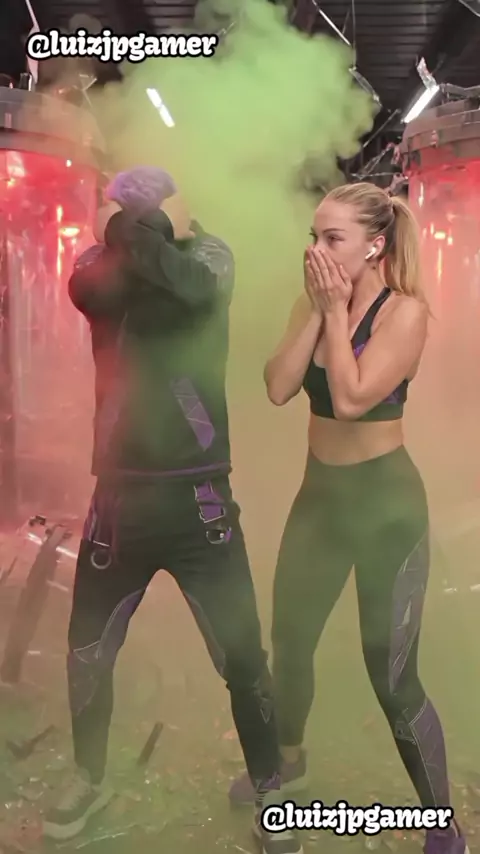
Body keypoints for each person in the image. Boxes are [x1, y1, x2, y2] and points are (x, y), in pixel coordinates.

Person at [42, 166, 301, 854]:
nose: (138, 214)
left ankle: (270, 789)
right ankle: (88, 778)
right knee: (87, 655)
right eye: (133, 207)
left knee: (243, 658)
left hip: (199, 502)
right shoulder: (98, 264)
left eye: (149, 205)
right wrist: (143, 233)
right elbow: (92, 288)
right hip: (118, 502)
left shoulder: (210, 257)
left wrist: (137, 226)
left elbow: (191, 290)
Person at [229, 182, 467, 854]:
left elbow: (353, 398)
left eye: (333, 238)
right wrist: (318, 308)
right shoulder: (312, 302)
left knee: (391, 675)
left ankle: (441, 822)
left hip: (385, 506)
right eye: (314, 235)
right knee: (290, 639)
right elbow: (279, 386)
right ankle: (292, 758)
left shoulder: (405, 314)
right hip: (322, 498)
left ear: (374, 245)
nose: (317, 250)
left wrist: (334, 311)